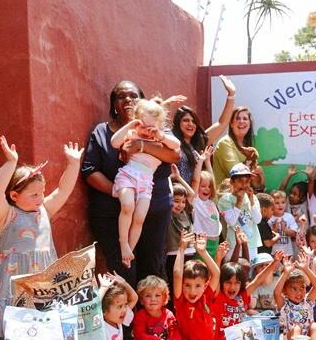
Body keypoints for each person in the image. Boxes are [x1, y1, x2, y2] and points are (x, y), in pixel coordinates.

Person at [82, 81, 180, 286]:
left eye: (133, 96)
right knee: (122, 271)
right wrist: (120, 191)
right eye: (120, 96)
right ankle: (125, 318)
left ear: (142, 102)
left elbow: (174, 155)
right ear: (113, 104)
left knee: (152, 268)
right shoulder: (102, 132)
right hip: (112, 213)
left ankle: (149, 318)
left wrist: (141, 145)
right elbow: (90, 170)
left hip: (153, 210)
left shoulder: (159, 128)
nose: (127, 100)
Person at [0, 135, 81, 338]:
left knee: (46, 330)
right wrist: (10, 163)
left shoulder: (44, 210)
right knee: (17, 331)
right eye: (34, 195)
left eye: (42, 192)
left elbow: (63, 190)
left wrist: (73, 164)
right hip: (15, 284)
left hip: (44, 282)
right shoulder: (5, 216)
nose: (41, 198)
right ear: (14, 196)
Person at [111, 99, 181, 267]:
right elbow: (114, 142)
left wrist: (160, 135)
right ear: (136, 122)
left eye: (151, 128)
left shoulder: (160, 141)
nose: (146, 132)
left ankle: (129, 252)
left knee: (140, 217)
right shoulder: (132, 134)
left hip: (146, 182)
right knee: (127, 207)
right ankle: (123, 244)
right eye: (142, 126)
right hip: (128, 176)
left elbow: (177, 146)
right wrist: (130, 126)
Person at [171, 232, 228, 340]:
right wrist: (182, 248)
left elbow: (215, 272)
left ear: (205, 285)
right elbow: (177, 273)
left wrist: (202, 252)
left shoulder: (206, 296)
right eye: (188, 285)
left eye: (197, 286)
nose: (192, 291)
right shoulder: (180, 299)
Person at [172, 75, 236, 185]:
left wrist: (231, 95)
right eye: (186, 120)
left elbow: (222, 123)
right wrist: (165, 104)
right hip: (177, 196)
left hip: (195, 196)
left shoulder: (200, 141)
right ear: (178, 123)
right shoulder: (171, 141)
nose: (190, 124)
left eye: (193, 121)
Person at [274, 253, 316, 340]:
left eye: (302, 287)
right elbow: (276, 293)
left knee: (315, 326)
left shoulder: (307, 301)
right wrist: (285, 273)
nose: (299, 292)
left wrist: (306, 269)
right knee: (296, 328)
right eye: (294, 289)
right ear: (285, 290)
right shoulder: (285, 304)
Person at [217, 163, 262, 260]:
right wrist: (239, 201)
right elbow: (231, 221)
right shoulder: (225, 199)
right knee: (234, 271)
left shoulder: (252, 198)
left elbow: (257, 220)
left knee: (249, 272)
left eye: (247, 181)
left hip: (252, 243)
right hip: (234, 243)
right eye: (240, 181)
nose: (244, 185)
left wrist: (252, 202)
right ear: (232, 182)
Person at [212, 106, 259, 187]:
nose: (241, 121)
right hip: (225, 196)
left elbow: (256, 179)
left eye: (245, 118)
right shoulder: (225, 143)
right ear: (231, 124)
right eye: (237, 118)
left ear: (249, 124)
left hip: (243, 194)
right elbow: (237, 174)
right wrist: (250, 162)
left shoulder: (248, 146)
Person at [190, 146, 221, 258]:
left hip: (215, 243)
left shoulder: (211, 202)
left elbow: (212, 180)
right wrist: (201, 162)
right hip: (202, 243)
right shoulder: (196, 201)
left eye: (209, 187)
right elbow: (195, 180)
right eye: (203, 186)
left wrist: (208, 161)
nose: (207, 189)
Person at [268, 190, 298, 257]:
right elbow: (267, 238)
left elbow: (294, 234)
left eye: (283, 202)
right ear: (271, 205)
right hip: (273, 253)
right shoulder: (269, 218)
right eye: (277, 203)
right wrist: (274, 229)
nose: (280, 205)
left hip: (287, 253)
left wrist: (285, 229)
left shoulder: (289, 217)